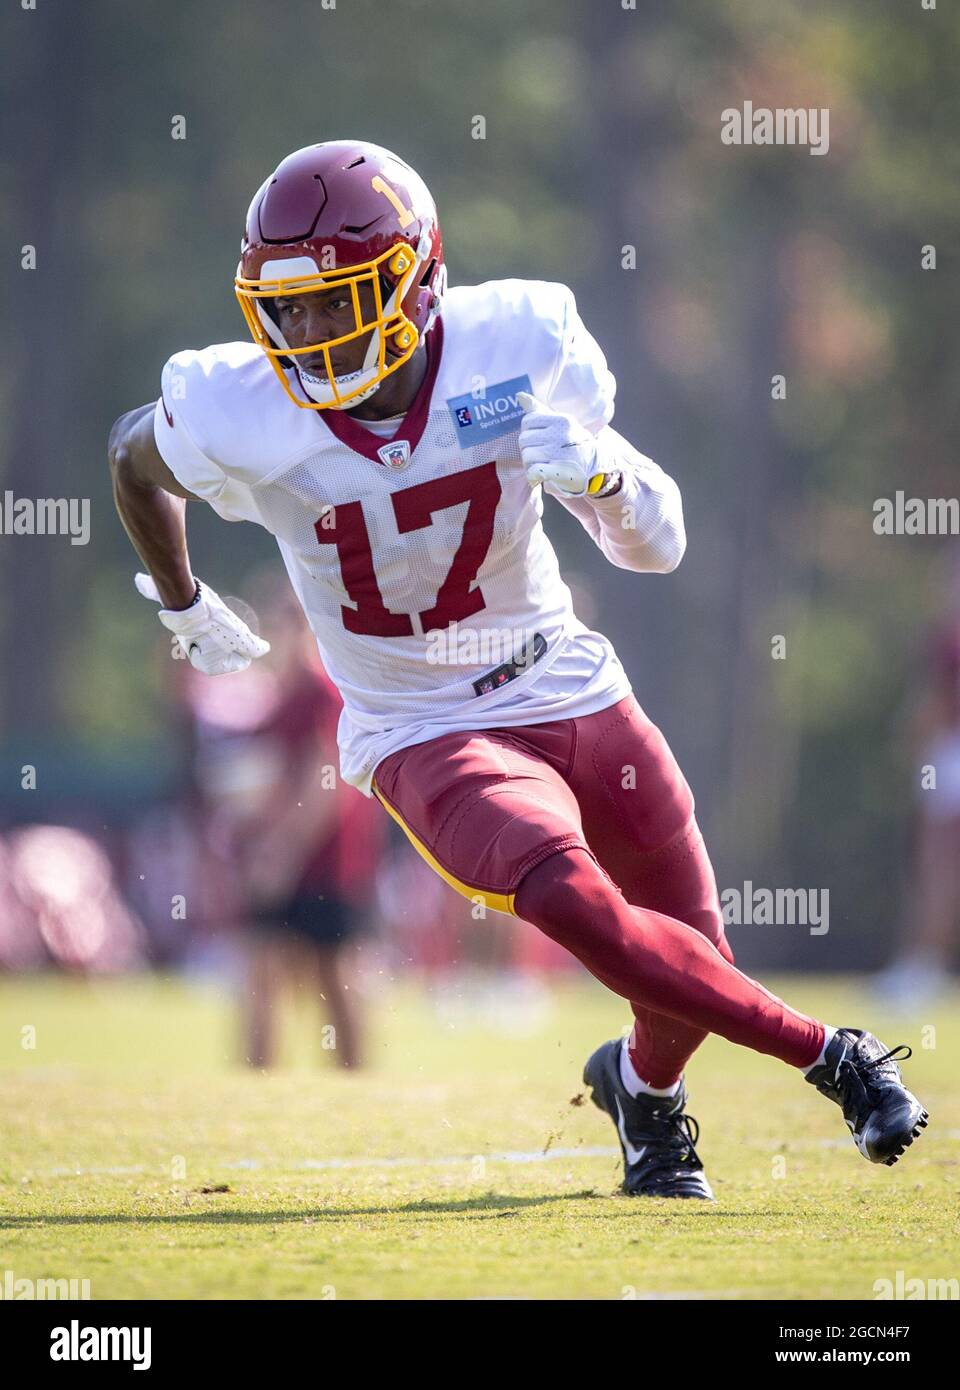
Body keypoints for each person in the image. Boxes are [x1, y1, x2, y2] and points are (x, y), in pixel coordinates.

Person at [109, 139, 927, 1198]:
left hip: (567, 680)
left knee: (686, 957)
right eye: (288, 305)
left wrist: (609, 473)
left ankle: (643, 1094)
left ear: (413, 280)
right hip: (420, 724)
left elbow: (658, 545)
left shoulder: (519, 340)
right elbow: (134, 458)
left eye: (335, 299)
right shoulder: (237, 403)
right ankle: (834, 1055)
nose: (304, 331)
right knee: (580, 903)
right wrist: (180, 601)